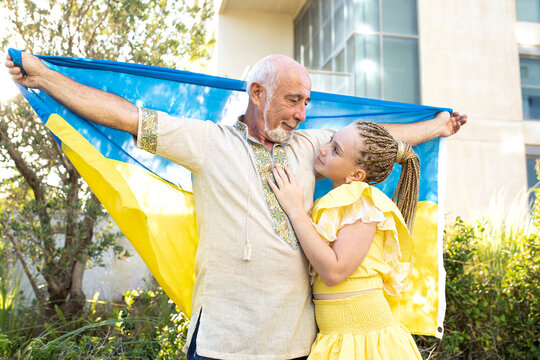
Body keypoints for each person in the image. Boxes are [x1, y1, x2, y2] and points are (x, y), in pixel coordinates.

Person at [6, 52, 466, 360]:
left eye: (306, 101)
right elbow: (128, 116)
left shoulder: (311, 146)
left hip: (295, 344)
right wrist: (45, 77)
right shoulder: (207, 142)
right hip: (223, 343)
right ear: (258, 93)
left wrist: (437, 127)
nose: (302, 113)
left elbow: (376, 145)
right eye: (292, 99)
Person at [268, 121, 425, 359]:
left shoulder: (362, 202)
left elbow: (335, 272)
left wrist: (295, 209)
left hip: (366, 341)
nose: (323, 149)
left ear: (356, 175)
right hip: (334, 338)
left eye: (336, 150)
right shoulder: (334, 201)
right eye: (330, 141)